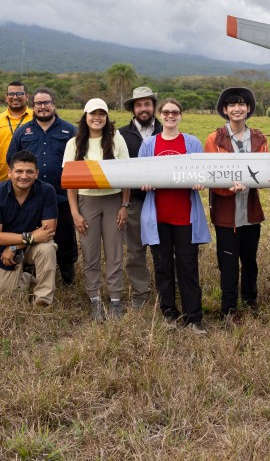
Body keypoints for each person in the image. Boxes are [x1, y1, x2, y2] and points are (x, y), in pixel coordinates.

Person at [139, 98, 210, 334]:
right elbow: (140, 173)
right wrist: (144, 183)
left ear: (181, 115)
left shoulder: (192, 142)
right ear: (160, 115)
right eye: (166, 112)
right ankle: (169, 315)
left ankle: (193, 319)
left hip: (185, 217)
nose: (170, 116)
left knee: (188, 267)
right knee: (163, 267)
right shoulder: (149, 144)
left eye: (175, 112)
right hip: (158, 216)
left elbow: (202, 172)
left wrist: (200, 183)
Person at [204, 87, 268, 325]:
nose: (237, 109)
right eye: (232, 105)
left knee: (250, 260)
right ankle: (228, 309)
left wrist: (249, 183)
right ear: (225, 110)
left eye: (241, 104)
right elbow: (211, 174)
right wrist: (226, 188)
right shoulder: (214, 139)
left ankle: (251, 301)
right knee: (228, 262)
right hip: (226, 213)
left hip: (250, 212)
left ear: (248, 109)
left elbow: (264, 173)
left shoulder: (259, 138)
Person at [63, 98, 131, 321]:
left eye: (102, 113)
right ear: (85, 116)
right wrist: (75, 213)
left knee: (114, 253)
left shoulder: (116, 140)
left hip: (113, 201)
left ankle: (115, 300)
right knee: (90, 252)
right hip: (86, 202)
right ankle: (94, 299)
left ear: (107, 117)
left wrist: (124, 205)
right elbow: (70, 182)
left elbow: (126, 175)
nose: (97, 117)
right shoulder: (74, 143)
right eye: (93, 113)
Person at [6, 87, 78, 285]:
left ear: (54, 104)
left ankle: (67, 273)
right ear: (33, 106)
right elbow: (12, 159)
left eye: (47, 103)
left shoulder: (70, 130)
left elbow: (80, 160)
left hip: (62, 195)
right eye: (39, 103)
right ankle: (32, 270)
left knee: (64, 234)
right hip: (32, 196)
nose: (43, 107)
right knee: (33, 233)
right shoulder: (23, 132)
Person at [0, 150, 58, 306]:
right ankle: (27, 277)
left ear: (37, 173)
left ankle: (43, 300)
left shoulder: (47, 190)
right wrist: (28, 238)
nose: (24, 176)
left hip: (32, 246)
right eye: (19, 171)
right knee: (5, 299)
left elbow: (48, 231)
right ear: (9, 172)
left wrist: (14, 245)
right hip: (3, 251)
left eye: (29, 171)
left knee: (47, 248)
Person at [118, 86, 160, 309]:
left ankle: (166, 292)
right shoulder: (121, 135)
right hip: (134, 201)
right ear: (132, 109)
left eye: (147, 104)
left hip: (162, 201)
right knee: (135, 252)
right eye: (139, 105)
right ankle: (140, 293)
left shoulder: (166, 130)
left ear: (154, 107)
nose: (143, 109)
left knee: (163, 249)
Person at [0, 80, 32, 188]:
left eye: (19, 94)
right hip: (0, 180)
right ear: (6, 97)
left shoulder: (36, 119)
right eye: (11, 94)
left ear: (27, 96)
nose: (15, 97)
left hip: (30, 180)